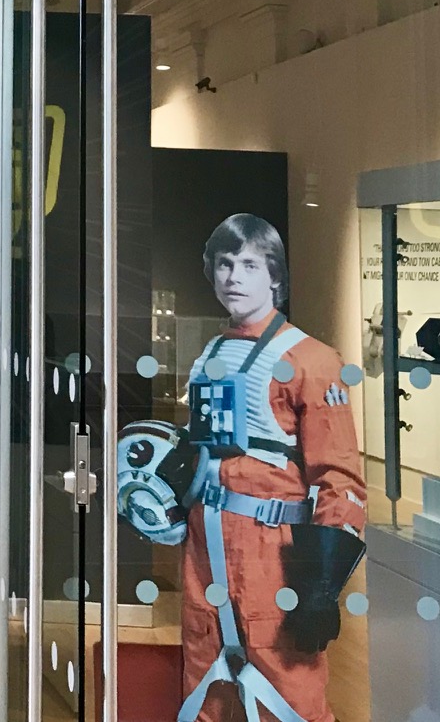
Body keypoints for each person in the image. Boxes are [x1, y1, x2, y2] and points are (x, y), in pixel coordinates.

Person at [168, 215, 366, 722]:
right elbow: (202, 451)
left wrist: (321, 586)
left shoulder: (312, 361)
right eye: (225, 264)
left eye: (249, 265)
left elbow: (340, 480)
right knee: (205, 701)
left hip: (272, 558)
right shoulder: (212, 354)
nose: (234, 276)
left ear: (275, 275)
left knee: (289, 700)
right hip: (205, 553)